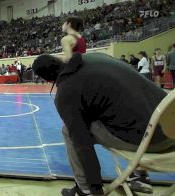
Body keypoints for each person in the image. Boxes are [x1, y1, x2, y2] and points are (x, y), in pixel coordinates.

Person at [32, 53, 175, 196]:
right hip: (170, 126)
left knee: (69, 131)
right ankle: (139, 175)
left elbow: (82, 144)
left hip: (155, 140)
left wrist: (95, 189)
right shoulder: (95, 57)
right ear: (59, 59)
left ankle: (85, 189)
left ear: (47, 79)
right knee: (128, 108)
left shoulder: (66, 93)